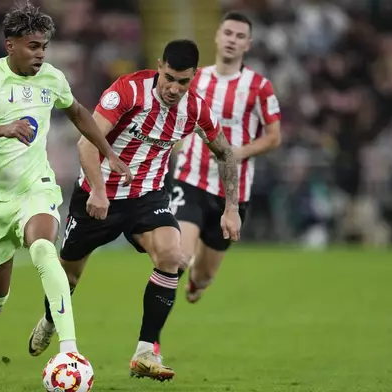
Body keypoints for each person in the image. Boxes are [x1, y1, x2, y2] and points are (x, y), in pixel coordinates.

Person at [28, 39, 242, 381]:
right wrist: (98, 190)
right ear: (160, 65)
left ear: (193, 78)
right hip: (97, 195)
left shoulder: (195, 111)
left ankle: (146, 350)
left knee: (173, 255)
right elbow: (86, 143)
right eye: (169, 78)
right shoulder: (127, 91)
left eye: (183, 82)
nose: (174, 88)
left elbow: (226, 153)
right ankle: (51, 319)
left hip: (147, 197)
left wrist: (231, 208)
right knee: (67, 277)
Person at [0, 2, 131, 357]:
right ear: (11, 46)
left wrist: (108, 151)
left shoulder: (52, 78)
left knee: (44, 250)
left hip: (36, 188)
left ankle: (68, 349)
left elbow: (79, 112)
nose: (40, 54)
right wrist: (5, 128)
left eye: (44, 46)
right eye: (33, 46)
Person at [171, 12, 282, 303]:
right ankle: (149, 340)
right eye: (229, 33)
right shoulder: (197, 79)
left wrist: (237, 153)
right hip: (191, 179)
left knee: (204, 274)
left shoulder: (259, 87)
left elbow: (274, 137)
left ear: (248, 44)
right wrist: (176, 143)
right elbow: (178, 117)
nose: (233, 40)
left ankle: (198, 281)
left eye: (240, 36)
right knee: (176, 259)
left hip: (232, 192)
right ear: (218, 36)